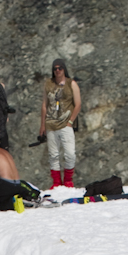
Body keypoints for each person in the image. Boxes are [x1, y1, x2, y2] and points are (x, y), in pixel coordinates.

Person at [38, 58, 81, 189]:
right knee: (53, 154)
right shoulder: (48, 84)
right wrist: (43, 124)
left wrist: (70, 121)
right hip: (51, 123)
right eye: (55, 69)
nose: (57, 71)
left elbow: (78, 104)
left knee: (69, 153)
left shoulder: (71, 84)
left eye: (59, 68)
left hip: (65, 123)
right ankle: (56, 181)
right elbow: (45, 104)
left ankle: (68, 179)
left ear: (64, 69)